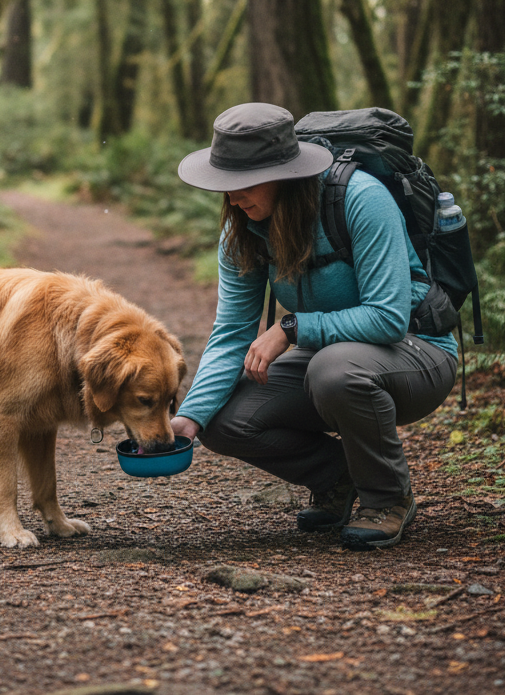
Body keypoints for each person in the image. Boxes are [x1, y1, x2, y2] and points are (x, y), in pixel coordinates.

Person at [169, 103, 459, 550]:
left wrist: (289, 327)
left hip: (417, 351)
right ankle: (341, 479)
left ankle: (387, 498)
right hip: (333, 354)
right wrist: (189, 417)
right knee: (224, 419)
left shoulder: (361, 199)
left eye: (241, 184)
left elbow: (387, 317)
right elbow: (230, 333)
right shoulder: (244, 230)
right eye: (223, 186)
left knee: (335, 370)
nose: (231, 198)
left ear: (285, 175)